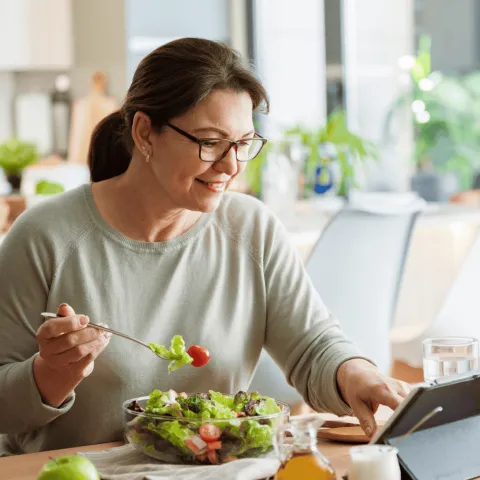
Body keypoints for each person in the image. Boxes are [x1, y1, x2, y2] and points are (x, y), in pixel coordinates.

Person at [0, 38, 410, 456]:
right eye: (210, 142)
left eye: (243, 143)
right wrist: (48, 375)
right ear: (145, 133)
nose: (231, 165)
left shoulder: (251, 228)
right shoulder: (44, 237)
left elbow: (312, 345)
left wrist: (356, 373)